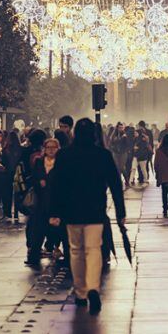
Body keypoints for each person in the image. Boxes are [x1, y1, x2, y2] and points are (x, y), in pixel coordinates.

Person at [49, 119, 126, 315]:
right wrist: (120, 213)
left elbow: (56, 185)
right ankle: (93, 287)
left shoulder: (65, 155)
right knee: (93, 250)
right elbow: (116, 185)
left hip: (72, 212)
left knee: (75, 251)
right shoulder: (103, 155)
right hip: (95, 211)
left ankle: (81, 292)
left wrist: (54, 212)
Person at [25, 137, 63, 266]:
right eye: (48, 147)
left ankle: (55, 248)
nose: (51, 150)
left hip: (57, 201)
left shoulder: (61, 162)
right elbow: (33, 178)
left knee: (57, 228)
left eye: (54, 147)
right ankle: (34, 254)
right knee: (38, 228)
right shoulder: (39, 162)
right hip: (41, 201)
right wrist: (39, 182)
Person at [3, 132, 24, 221]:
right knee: (17, 193)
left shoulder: (5, 149)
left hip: (7, 173)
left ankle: (7, 212)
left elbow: (3, 162)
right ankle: (16, 213)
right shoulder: (20, 149)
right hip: (17, 173)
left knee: (7, 193)